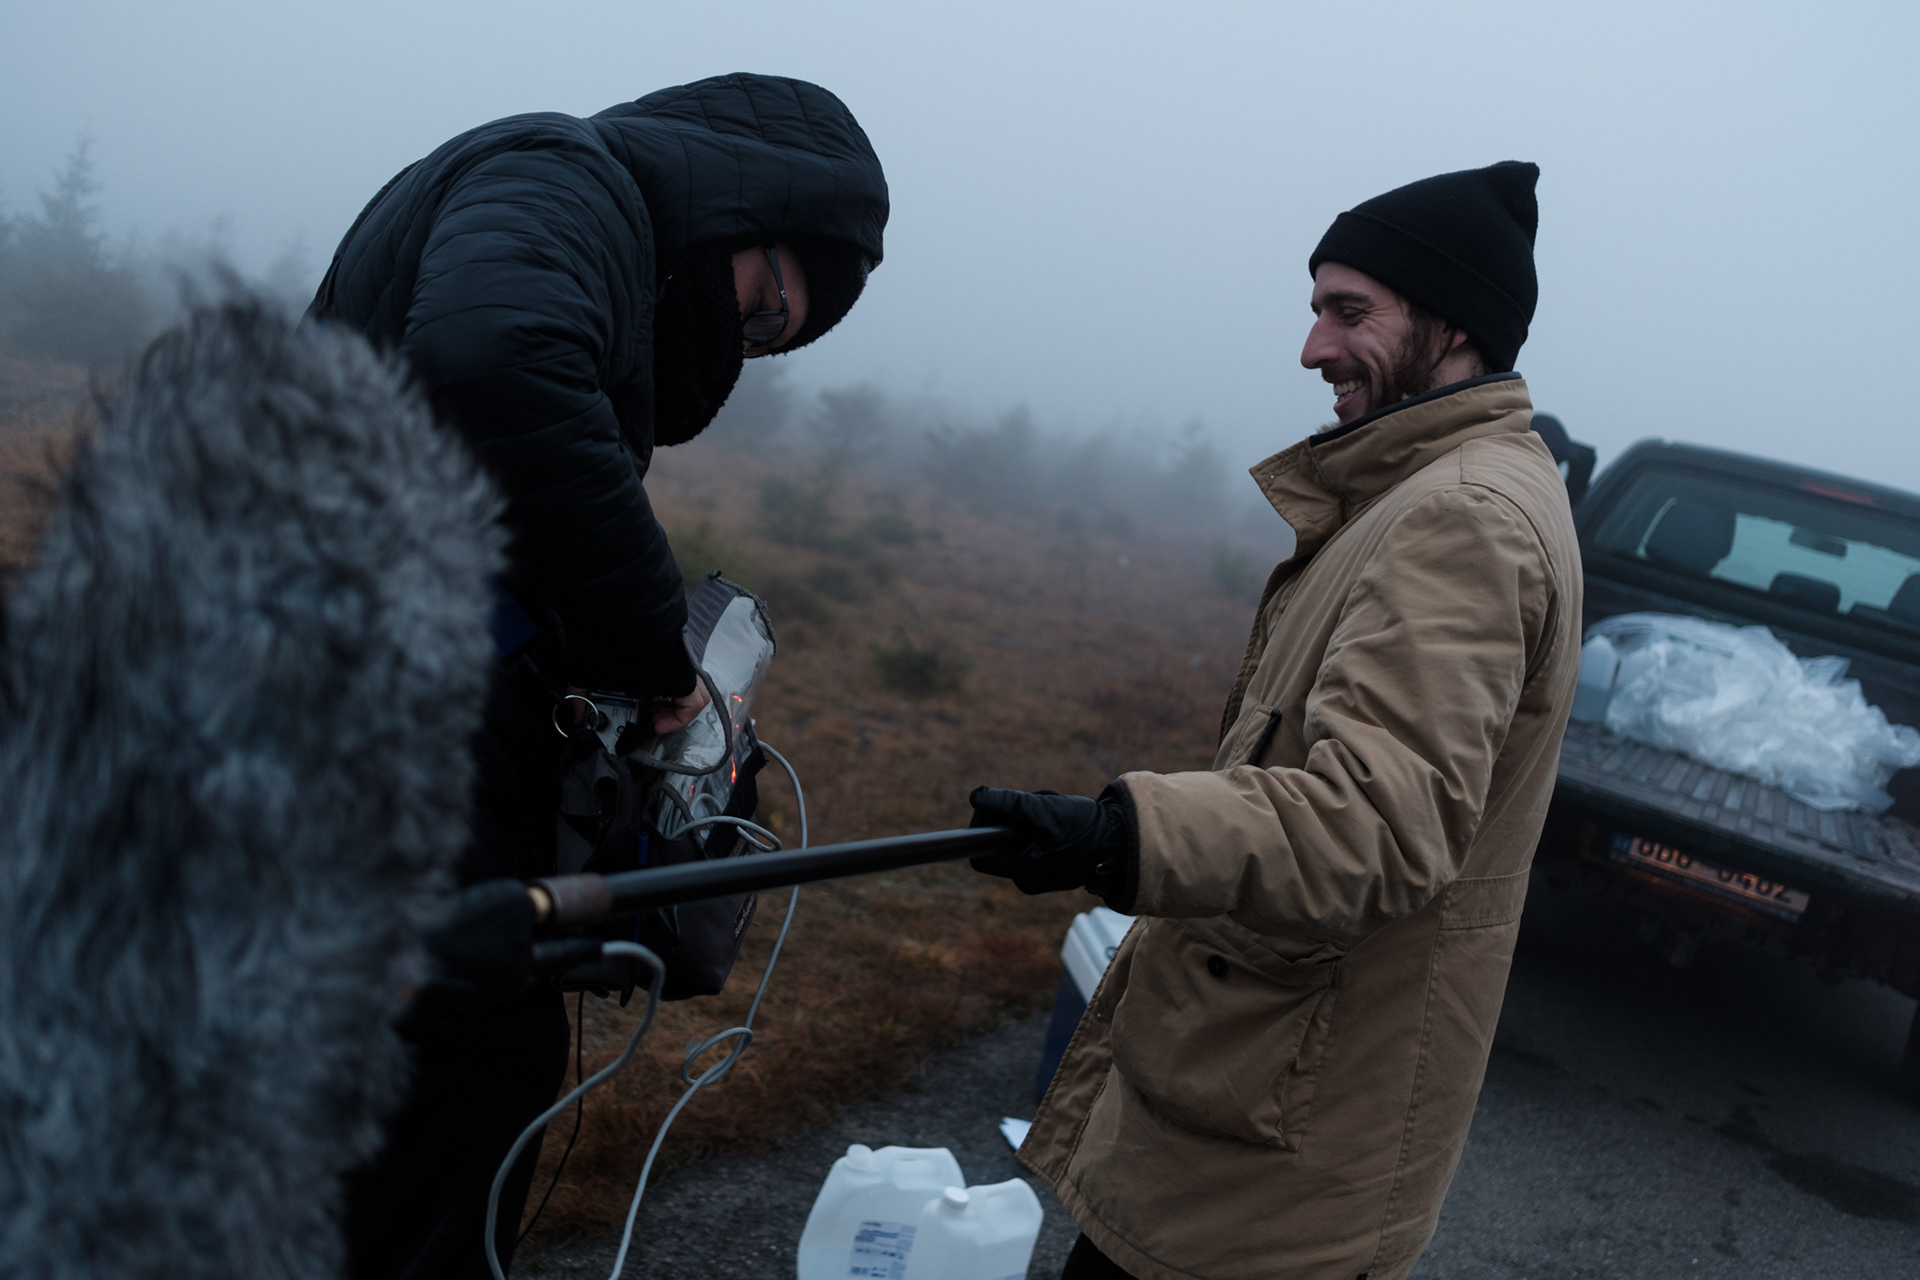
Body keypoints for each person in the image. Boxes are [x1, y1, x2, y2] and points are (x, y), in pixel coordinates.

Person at [309, 72, 888, 1279]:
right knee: (448, 1076)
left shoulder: (593, 223)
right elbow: (491, 359)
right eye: (767, 310)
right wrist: (653, 654)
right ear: (747, 208)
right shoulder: (565, 175)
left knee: (425, 1076)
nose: (744, 345)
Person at [969, 161, 1582, 1280]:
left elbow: (1380, 825)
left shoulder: (1464, 517)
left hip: (1279, 1153)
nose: (1312, 348)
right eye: (1316, 310)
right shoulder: (1443, 488)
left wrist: (1125, 834)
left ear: (1455, 326)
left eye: (1350, 312)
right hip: (1266, 1104)